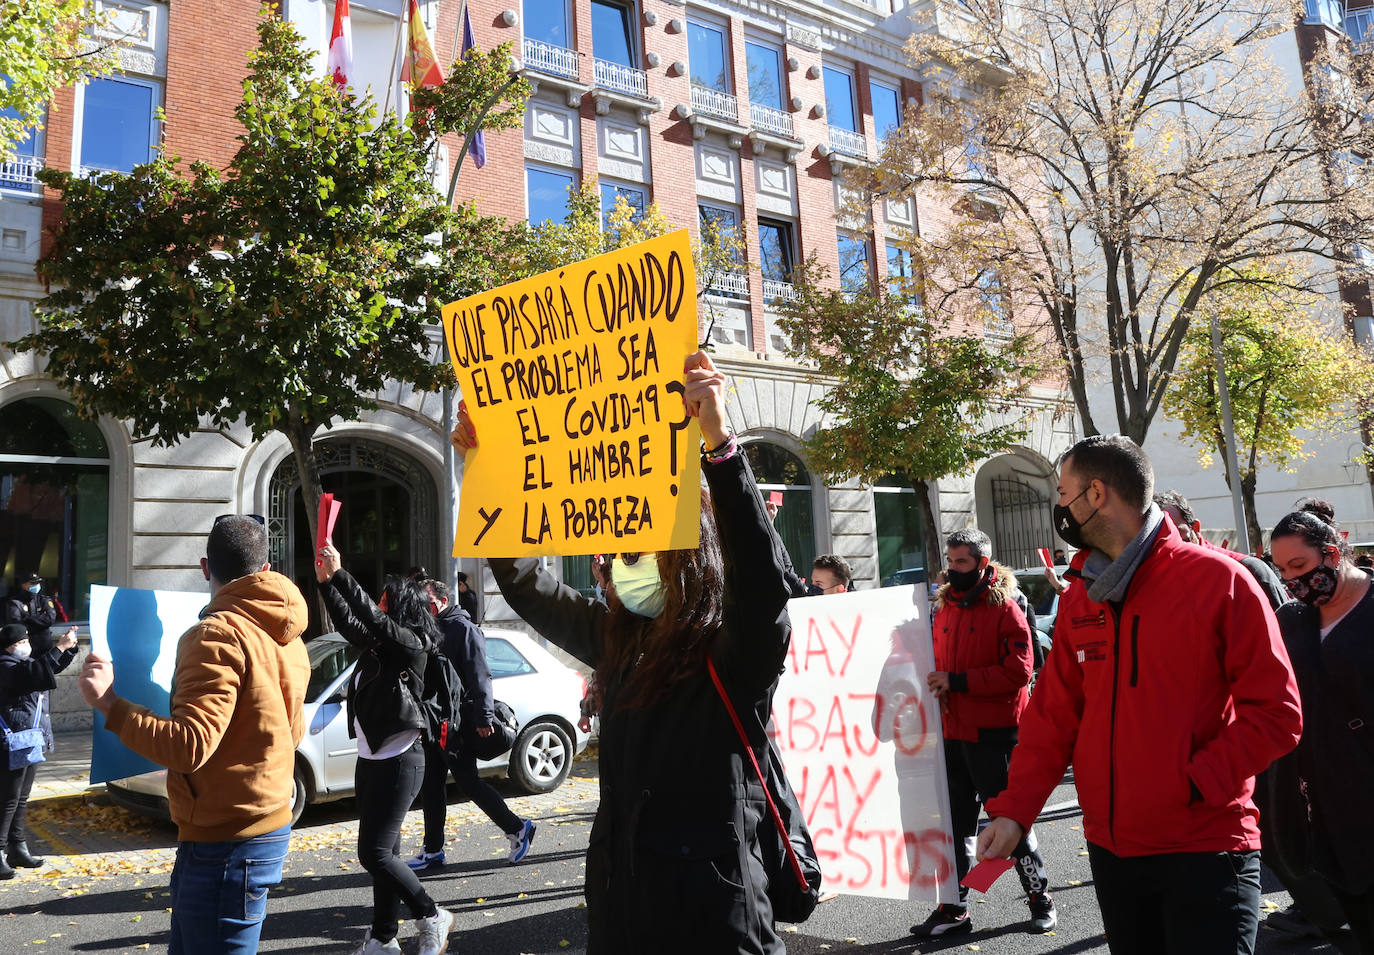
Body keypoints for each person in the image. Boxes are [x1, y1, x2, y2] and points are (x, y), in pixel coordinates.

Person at [451, 350, 795, 953]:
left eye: (634, 555)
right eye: (615, 555)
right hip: (622, 909)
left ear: (690, 557)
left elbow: (764, 583)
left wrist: (719, 447)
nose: (614, 568)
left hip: (713, 917)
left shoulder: (735, 650)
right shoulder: (617, 635)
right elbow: (528, 584)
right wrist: (485, 467)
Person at [976, 434, 1302, 955]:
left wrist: (1193, 784)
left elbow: (1277, 714)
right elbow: (1054, 717)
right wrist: (1015, 811)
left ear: (1096, 494)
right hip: (1113, 851)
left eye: (1062, 493)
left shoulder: (1219, 581)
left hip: (1207, 849)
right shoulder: (1082, 593)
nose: (1058, 507)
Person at [76, 515, 310, 954]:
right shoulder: (287, 633)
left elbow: (189, 747)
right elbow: (291, 732)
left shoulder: (215, 636)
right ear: (264, 568)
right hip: (257, 825)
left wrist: (109, 702)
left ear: (206, 568)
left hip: (227, 839)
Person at [1153, 490, 1344, 938]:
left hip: (1265, 728)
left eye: (1176, 530)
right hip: (1218, 738)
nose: (1168, 543)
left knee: (1284, 829)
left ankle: (1336, 918)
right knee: (1271, 838)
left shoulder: (1244, 570)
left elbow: (1287, 642)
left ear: (1194, 529)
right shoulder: (1158, 585)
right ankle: (1323, 912)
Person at [912, 529, 1053, 937]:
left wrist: (956, 682)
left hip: (995, 736)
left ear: (983, 564)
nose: (952, 569)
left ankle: (1040, 899)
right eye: (950, 561)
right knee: (955, 826)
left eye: (961, 562)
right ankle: (955, 909)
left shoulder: (1006, 608)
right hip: (952, 733)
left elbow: (1019, 672)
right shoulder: (943, 609)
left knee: (1008, 823)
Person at [315, 548, 455, 955]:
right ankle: (382, 936)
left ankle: (431, 915)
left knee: (373, 853)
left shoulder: (413, 644)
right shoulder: (379, 646)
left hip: (401, 760)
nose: (377, 605)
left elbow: (373, 619)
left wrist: (341, 575)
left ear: (399, 607)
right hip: (371, 759)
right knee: (386, 854)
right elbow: (350, 621)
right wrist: (326, 584)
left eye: (384, 599)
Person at [1267, 499, 1374, 951]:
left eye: (1301, 565)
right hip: (1327, 805)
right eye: (1283, 571)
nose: (1294, 582)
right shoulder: (1291, 621)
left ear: (1333, 551)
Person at [406, 577, 536, 872]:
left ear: (441, 601)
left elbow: (480, 674)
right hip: (436, 718)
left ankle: (518, 828)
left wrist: (484, 716)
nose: (422, 609)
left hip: (456, 720)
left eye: (426, 604)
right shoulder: (434, 627)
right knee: (432, 784)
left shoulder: (463, 629)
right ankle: (433, 850)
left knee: (467, 782)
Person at [0, 622, 78, 878]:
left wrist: (68, 650)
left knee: (21, 797)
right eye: (20, 643)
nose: (25, 646)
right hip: (11, 741)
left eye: (26, 641)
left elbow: (46, 670)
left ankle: (17, 847)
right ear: (8, 647)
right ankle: (0, 850)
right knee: (8, 799)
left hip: (30, 738)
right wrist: (59, 647)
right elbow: (32, 675)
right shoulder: (5, 666)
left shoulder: (24, 664)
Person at [5, 574, 57, 655]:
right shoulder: (15, 602)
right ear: (23, 585)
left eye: (38, 583)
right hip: (25, 648)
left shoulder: (43, 600)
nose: (36, 586)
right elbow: (17, 624)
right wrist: (40, 619)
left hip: (45, 646)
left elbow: (50, 619)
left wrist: (27, 618)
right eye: (33, 583)